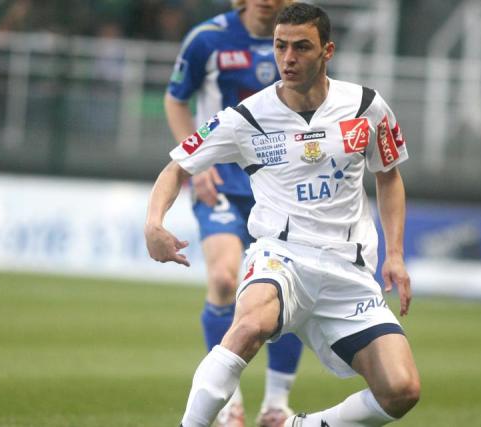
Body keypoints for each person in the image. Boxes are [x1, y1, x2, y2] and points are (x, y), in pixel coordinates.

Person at [146, 3, 421, 427]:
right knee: (249, 325)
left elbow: (389, 177)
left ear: (327, 51)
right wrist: (154, 223)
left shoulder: (366, 105)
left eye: (301, 47)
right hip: (281, 257)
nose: (288, 59)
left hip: (349, 271)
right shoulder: (247, 117)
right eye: (280, 47)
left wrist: (396, 254)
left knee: (401, 391)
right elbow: (176, 167)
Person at [163, 1, 304, 426]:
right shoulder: (207, 39)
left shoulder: (300, 43)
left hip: (280, 184)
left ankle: (276, 406)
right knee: (225, 279)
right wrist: (196, 162)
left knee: (292, 293)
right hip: (222, 181)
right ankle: (230, 402)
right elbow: (176, 100)